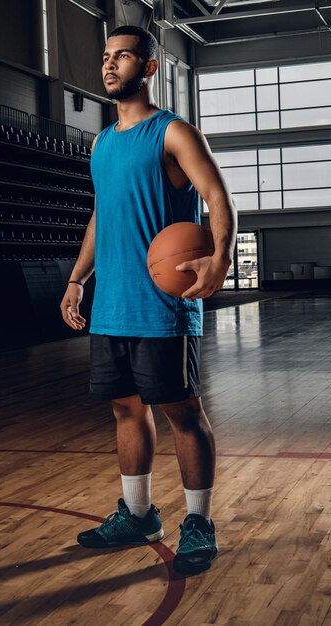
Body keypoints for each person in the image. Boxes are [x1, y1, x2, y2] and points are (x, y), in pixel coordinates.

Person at [60, 24, 236, 576]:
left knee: (182, 412)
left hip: (163, 302)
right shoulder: (102, 141)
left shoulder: (173, 133)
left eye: (124, 56)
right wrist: (76, 278)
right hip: (111, 301)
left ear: (150, 67)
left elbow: (218, 195)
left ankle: (199, 523)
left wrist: (221, 257)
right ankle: (138, 515)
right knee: (124, 408)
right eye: (106, 57)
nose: (110, 65)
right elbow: (101, 215)